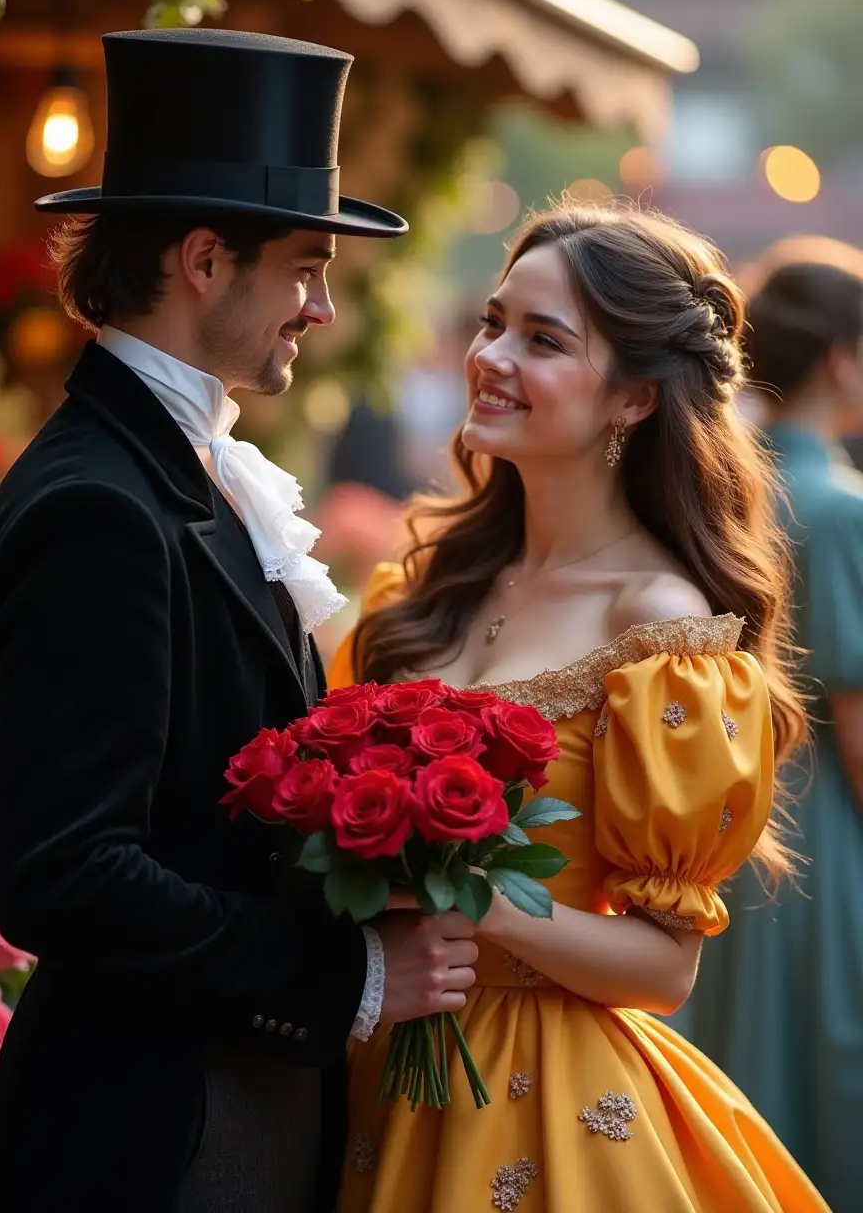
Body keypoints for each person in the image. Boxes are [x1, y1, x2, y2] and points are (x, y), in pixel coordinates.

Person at [0, 29, 481, 1213]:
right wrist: (346, 969)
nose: (323, 306)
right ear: (202, 258)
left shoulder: (180, 469)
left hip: (226, 1095)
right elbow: (70, 875)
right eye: (303, 267)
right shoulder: (100, 503)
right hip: (152, 1131)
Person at [328, 201, 829, 1212]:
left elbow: (662, 966)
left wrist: (473, 888)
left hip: (534, 1101)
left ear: (634, 397)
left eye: (542, 339)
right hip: (355, 1063)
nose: (490, 355)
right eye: (492, 320)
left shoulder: (663, 630)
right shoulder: (422, 588)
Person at [672, 238, 863, 1213]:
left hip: (730, 826)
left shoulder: (725, 482)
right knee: (828, 1089)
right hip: (826, 834)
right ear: (842, 356)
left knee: (744, 1081)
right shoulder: (838, 506)